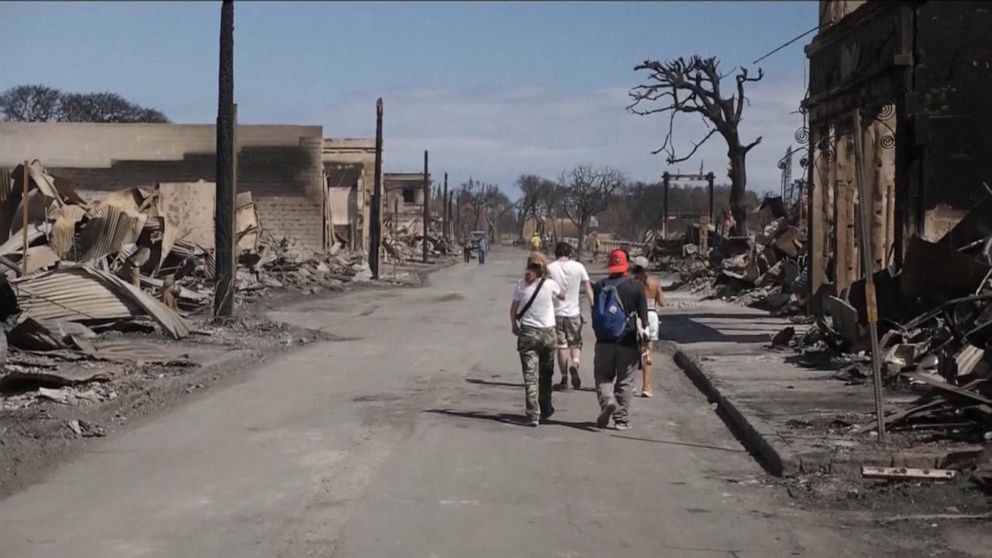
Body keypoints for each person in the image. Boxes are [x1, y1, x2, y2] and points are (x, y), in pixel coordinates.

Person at [590, 249, 649, 431]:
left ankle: (608, 400)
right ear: (627, 264)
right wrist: (645, 341)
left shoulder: (600, 286)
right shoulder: (636, 287)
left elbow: (595, 314)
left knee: (602, 375)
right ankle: (621, 419)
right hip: (628, 340)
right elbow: (644, 319)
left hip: (604, 341)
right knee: (625, 380)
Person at [511, 252, 565, 426]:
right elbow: (563, 295)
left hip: (528, 333)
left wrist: (514, 325)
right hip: (548, 333)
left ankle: (533, 413)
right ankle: (546, 407)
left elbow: (513, 309)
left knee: (530, 375)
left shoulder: (520, 285)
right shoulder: (550, 284)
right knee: (546, 373)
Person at [546, 241, 594, 391]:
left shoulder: (550, 268)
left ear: (556, 253)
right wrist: (593, 306)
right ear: (570, 253)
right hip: (574, 312)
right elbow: (587, 287)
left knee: (561, 345)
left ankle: (564, 379)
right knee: (576, 343)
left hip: (556, 312)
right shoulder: (579, 267)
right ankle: (575, 362)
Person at [630, 256, 666, 398]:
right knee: (648, 352)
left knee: (632, 351)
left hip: (635, 317)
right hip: (651, 317)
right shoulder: (655, 282)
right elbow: (662, 302)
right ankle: (646, 387)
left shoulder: (631, 283)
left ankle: (630, 384)